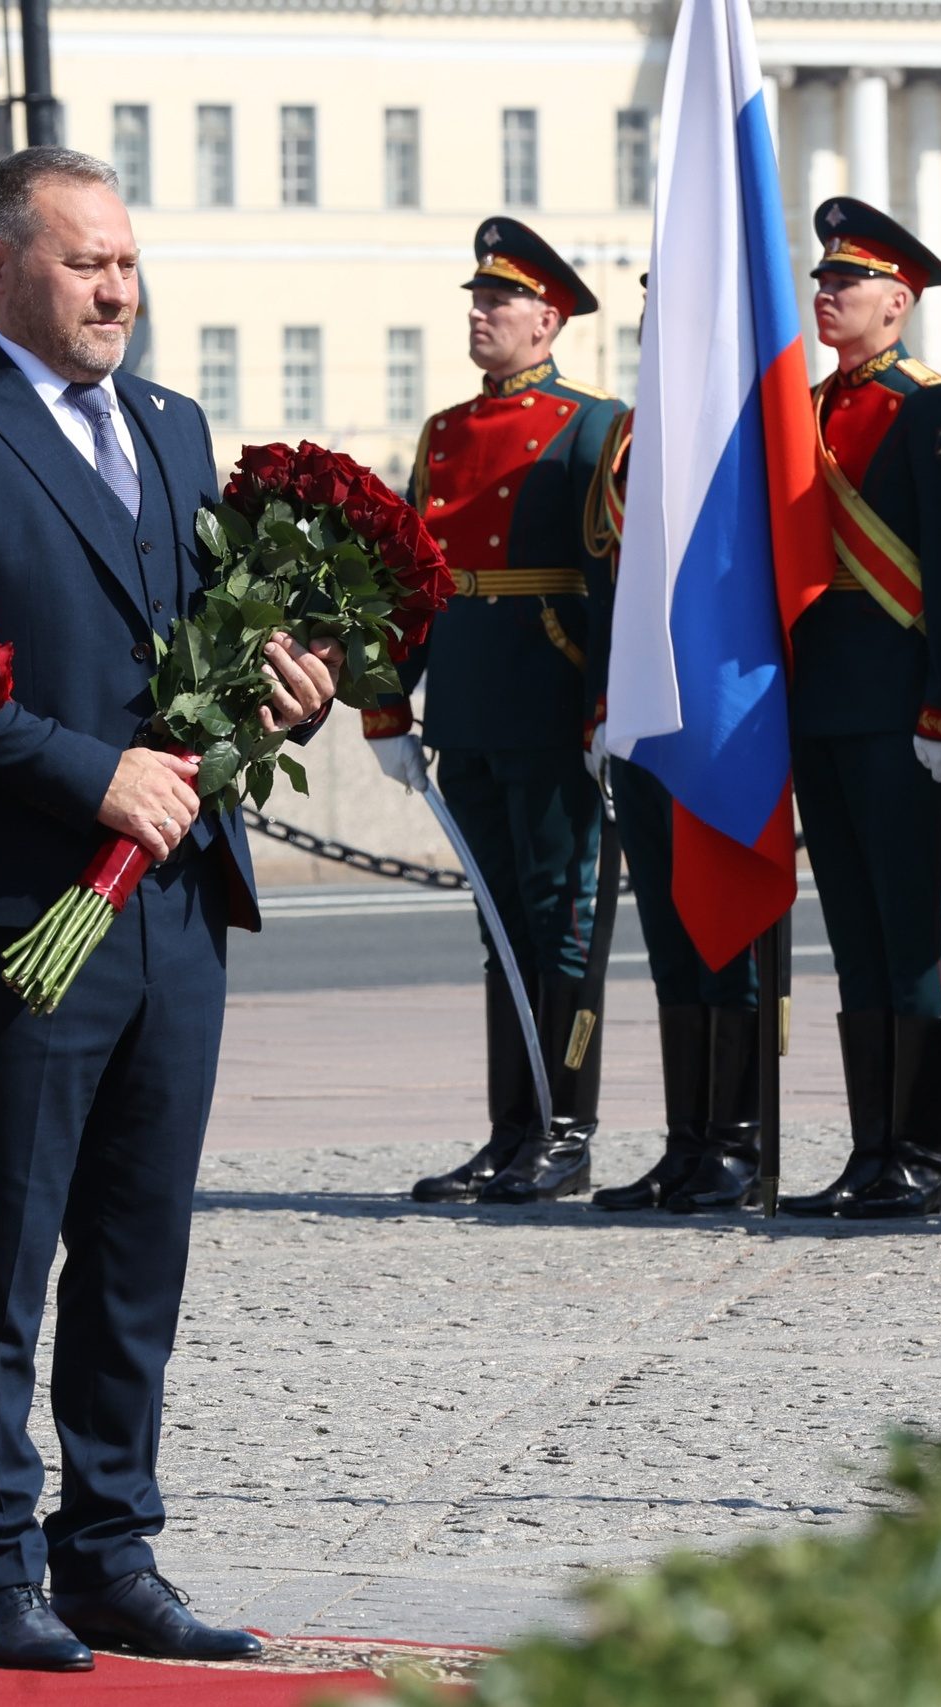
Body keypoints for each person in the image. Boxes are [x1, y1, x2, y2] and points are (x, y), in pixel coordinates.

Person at [0, 148, 339, 1671]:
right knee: (5, 1242)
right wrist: (89, 775)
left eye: (126, 261)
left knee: (141, 1241)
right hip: (15, 903)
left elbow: (202, 644)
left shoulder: (176, 427)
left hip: (178, 902)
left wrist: (287, 687)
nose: (116, 288)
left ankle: (112, 1547)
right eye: (84, 263)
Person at [371, 218, 626, 1207]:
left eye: (500, 301)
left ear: (549, 318)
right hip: (469, 704)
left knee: (562, 924)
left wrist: (607, 701)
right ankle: (510, 1130)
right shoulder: (443, 434)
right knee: (499, 926)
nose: (480, 314)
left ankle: (568, 1128)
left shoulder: (593, 425)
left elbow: (612, 579)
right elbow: (408, 582)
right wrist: (389, 698)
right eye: (476, 300)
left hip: (553, 698)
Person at [775, 197, 941, 1221]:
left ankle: (927, 1157)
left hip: (903, 702)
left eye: (845, 283)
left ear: (896, 302)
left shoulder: (932, 410)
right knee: (854, 933)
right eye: (822, 281)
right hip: (823, 699)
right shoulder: (807, 409)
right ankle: (871, 1149)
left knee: (913, 933)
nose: (827, 295)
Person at [583, 279, 766, 1215]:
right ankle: (688, 1139)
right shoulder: (633, 435)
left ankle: (740, 1139)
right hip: (647, 716)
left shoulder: (746, 430)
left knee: (726, 929)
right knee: (671, 938)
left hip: (724, 717)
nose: (662, 324)